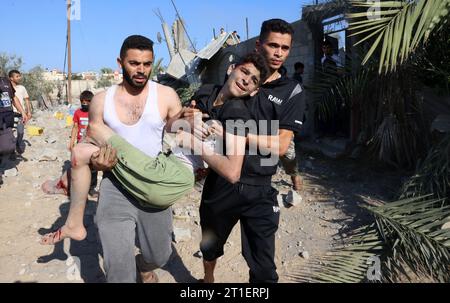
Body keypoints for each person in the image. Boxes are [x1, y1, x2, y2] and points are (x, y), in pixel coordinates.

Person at [41, 35, 194, 283]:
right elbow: (91, 142)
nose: (141, 70)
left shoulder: (166, 95)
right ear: (120, 62)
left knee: (160, 254)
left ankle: (143, 266)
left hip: (153, 183)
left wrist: (188, 121)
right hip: (115, 186)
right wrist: (97, 164)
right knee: (118, 269)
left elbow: (178, 129)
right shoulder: (101, 100)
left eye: (147, 63)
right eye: (134, 63)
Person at [194, 19, 306, 283]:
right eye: (273, 45)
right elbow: (205, 104)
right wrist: (192, 115)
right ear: (259, 45)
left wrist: (237, 136)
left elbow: (280, 145)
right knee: (209, 247)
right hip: (220, 182)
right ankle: (208, 280)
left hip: (259, 188)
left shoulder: (292, 91)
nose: (279, 52)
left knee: (264, 268)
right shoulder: (239, 79)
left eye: (285, 48)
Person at [40, 91, 98, 197]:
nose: (85, 103)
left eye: (87, 101)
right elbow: (75, 127)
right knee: (79, 167)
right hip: (80, 144)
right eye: (82, 101)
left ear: (92, 102)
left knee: (93, 168)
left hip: (92, 144)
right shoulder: (77, 113)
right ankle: (78, 188)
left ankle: (91, 188)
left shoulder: (95, 113)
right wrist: (71, 143)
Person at [8, 70, 31, 154]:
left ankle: (18, 144)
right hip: (10, 114)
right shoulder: (6, 88)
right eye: (17, 76)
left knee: (20, 132)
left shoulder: (22, 88)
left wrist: (28, 112)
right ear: (11, 78)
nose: (19, 78)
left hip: (20, 114)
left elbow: (27, 99)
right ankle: (11, 151)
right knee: (10, 133)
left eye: (19, 76)